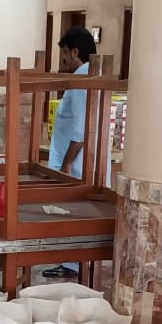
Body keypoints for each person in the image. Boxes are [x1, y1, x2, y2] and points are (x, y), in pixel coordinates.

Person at [42, 26, 99, 280]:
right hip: (83, 160)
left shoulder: (80, 80)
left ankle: (73, 265)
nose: (62, 59)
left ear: (74, 51)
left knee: (72, 213)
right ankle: (77, 263)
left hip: (76, 164)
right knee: (79, 214)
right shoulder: (90, 75)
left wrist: (66, 165)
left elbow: (81, 131)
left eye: (64, 52)